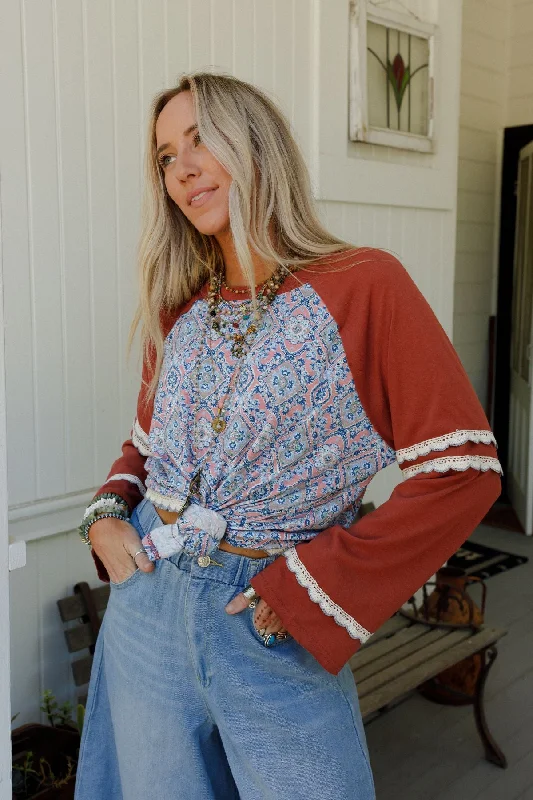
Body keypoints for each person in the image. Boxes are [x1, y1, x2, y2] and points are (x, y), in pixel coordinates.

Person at [74, 72, 501, 800]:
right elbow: (147, 448)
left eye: (201, 138)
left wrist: (314, 584)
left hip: (267, 617)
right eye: (165, 156)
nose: (182, 169)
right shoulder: (181, 306)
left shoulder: (363, 284)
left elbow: (463, 471)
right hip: (145, 604)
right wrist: (107, 513)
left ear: (256, 143)